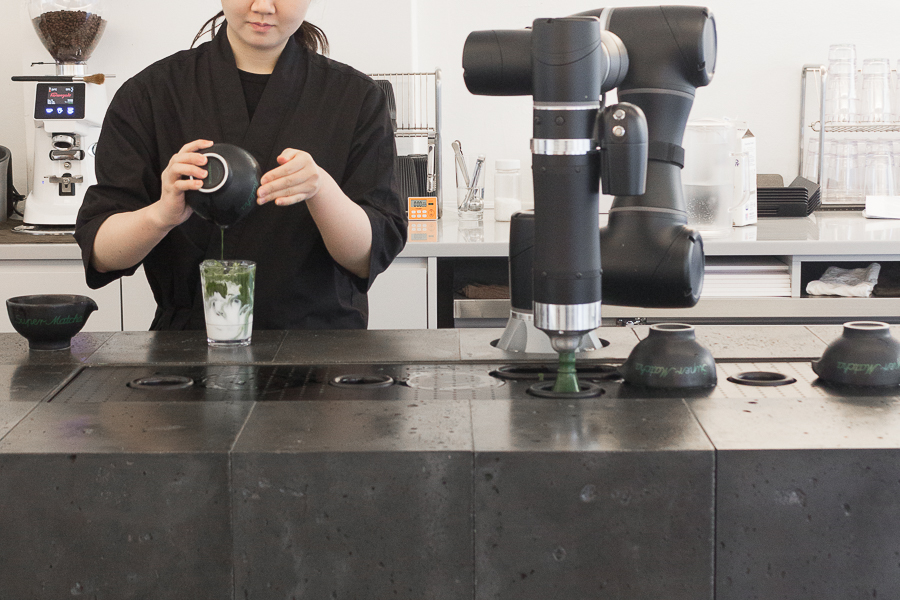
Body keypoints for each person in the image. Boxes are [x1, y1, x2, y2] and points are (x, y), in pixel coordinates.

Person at [74, 0, 406, 330]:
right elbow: (103, 254)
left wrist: (320, 189)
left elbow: (367, 257)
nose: (263, 6)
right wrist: (161, 215)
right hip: (188, 355)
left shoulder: (356, 98)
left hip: (319, 354)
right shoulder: (151, 94)